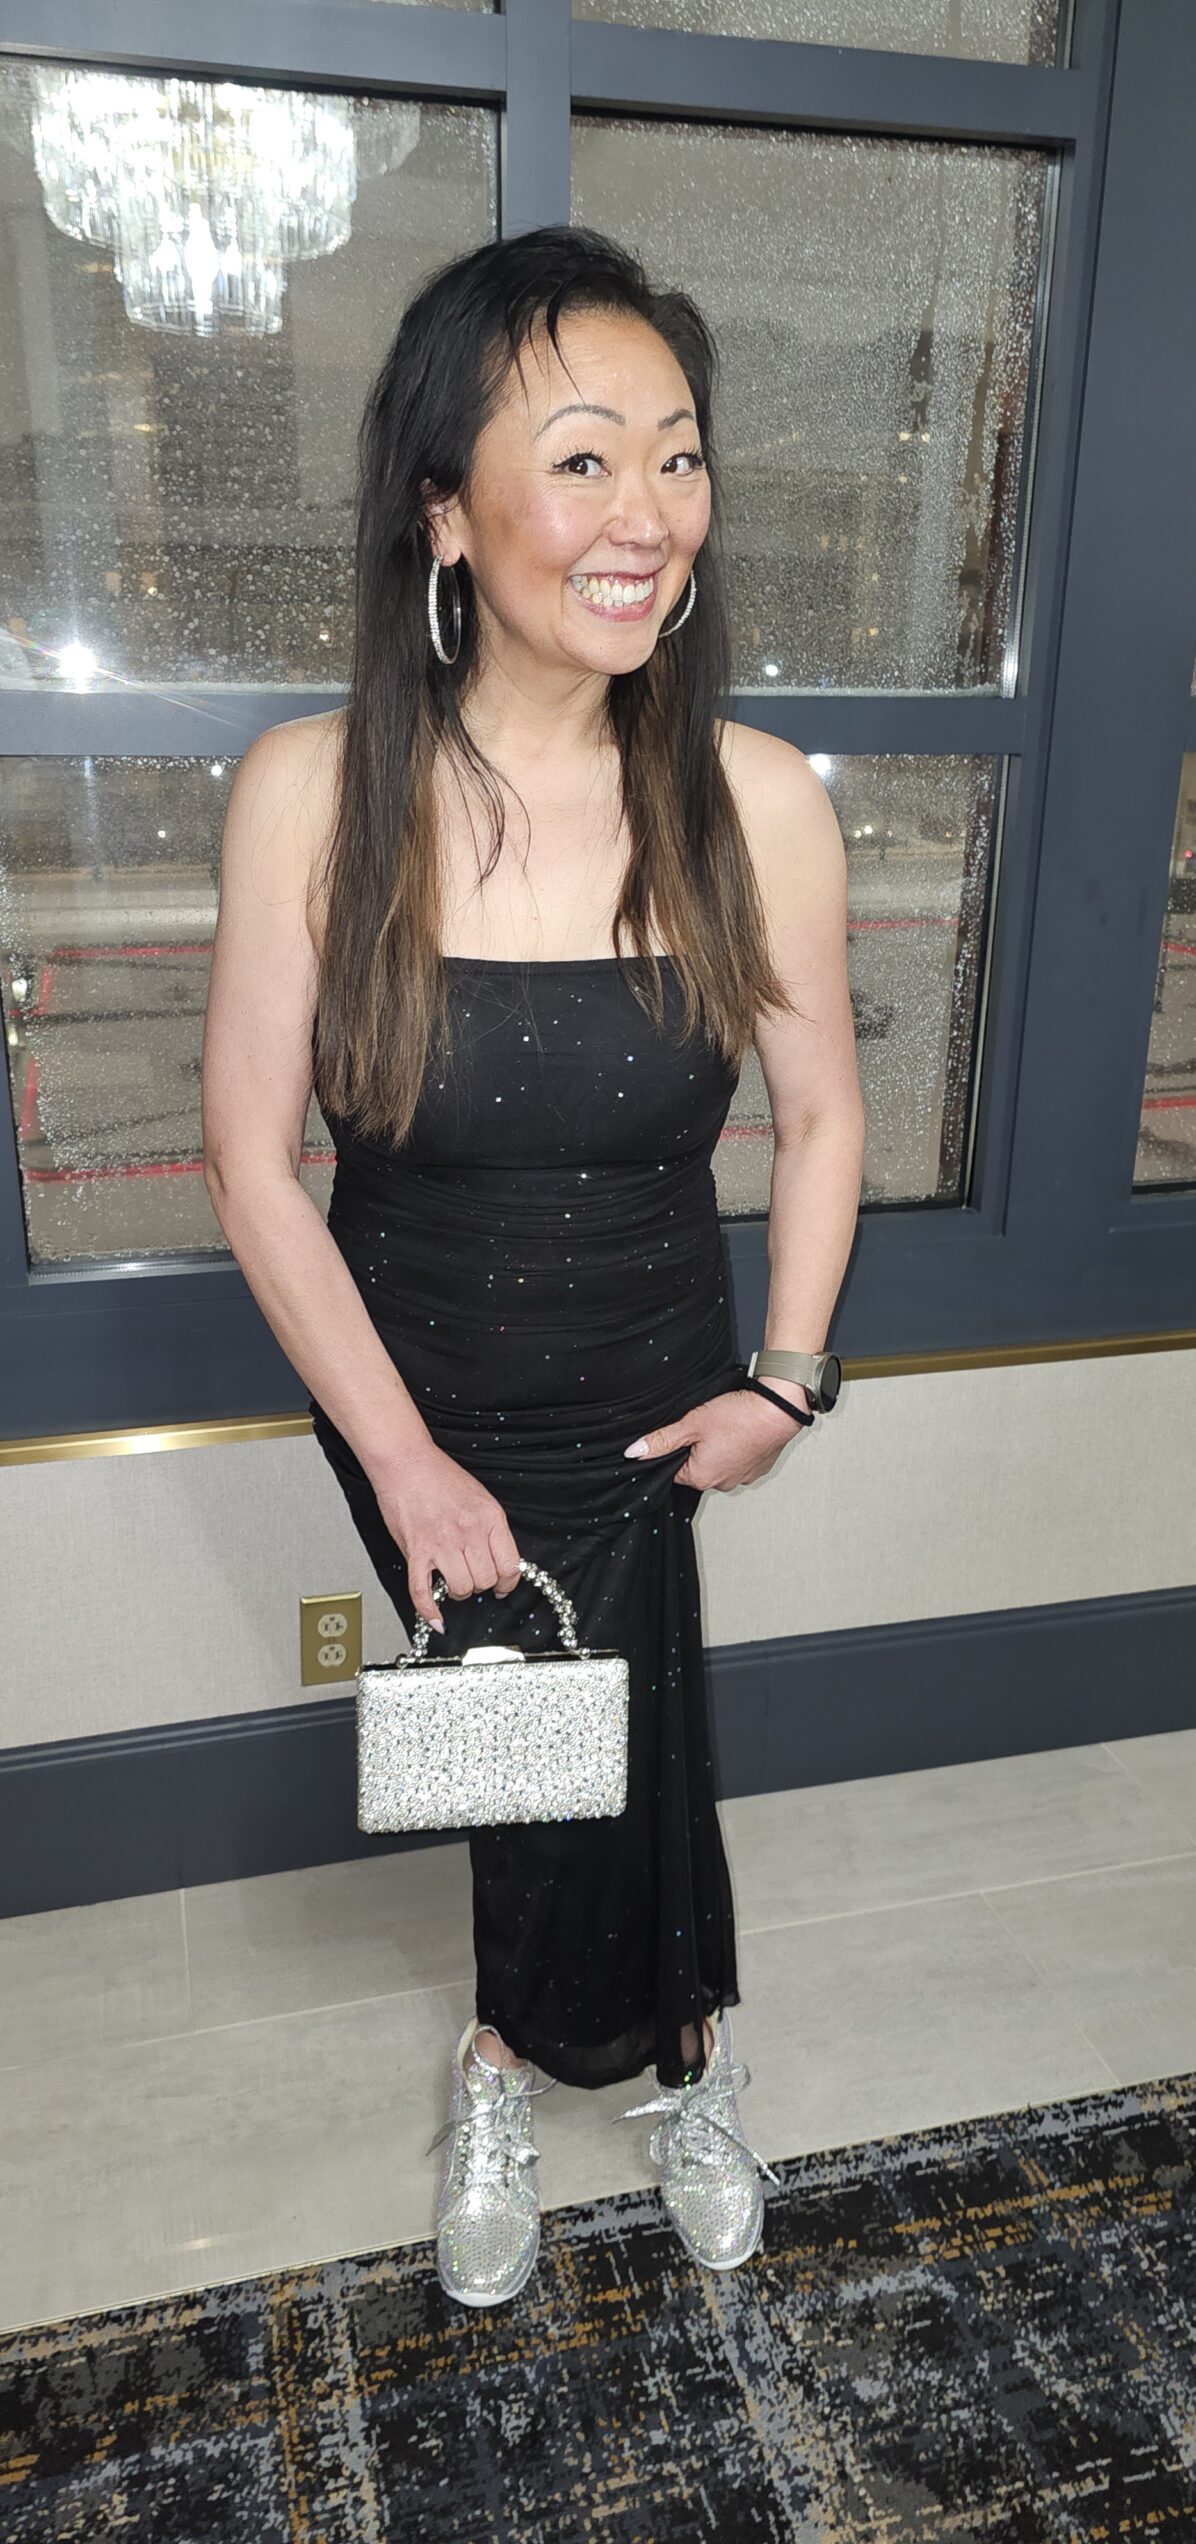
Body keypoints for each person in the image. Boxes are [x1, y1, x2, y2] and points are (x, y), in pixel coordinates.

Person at [201, 225, 865, 2310]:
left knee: (643, 1719)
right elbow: (248, 1153)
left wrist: (788, 1375)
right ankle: (526, 2042)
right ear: (445, 509)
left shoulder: (753, 800)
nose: (645, 515)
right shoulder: (316, 790)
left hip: (654, 1366)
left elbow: (826, 1116)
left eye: (676, 458)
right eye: (580, 461)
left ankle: (672, 2045)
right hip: (411, 1379)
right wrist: (399, 1464)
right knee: (506, 1732)